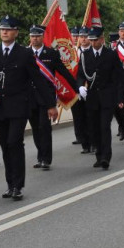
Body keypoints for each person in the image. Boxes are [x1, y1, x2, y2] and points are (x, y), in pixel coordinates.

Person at [0, 16, 58, 200]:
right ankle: (10, 184)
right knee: (5, 146)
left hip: (18, 107)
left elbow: (38, 80)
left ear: (16, 32)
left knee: (14, 142)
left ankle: (18, 185)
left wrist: (50, 104)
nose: (5, 32)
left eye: (8, 29)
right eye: (2, 29)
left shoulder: (24, 54)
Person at [27, 23, 77, 170]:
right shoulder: (25, 53)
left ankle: (46, 159)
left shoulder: (51, 54)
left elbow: (64, 72)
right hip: (30, 97)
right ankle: (40, 155)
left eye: (37, 36)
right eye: (32, 36)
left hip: (46, 97)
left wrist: (77, 87)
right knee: (35, 128)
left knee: (44, 127)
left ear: (43, 37)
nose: (35, 39)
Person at [77, 26, 124, 169]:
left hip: (107, 97)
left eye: (95, 40)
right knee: (94, 128)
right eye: (90, 40)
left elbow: (119, 76)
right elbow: (80, 74)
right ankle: (99, 154)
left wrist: (122, 96)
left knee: (104, 127)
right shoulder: (85, 55)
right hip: (92, 97)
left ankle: (106, 157)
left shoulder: (110, 54)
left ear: (102, 39)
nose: (92, 42)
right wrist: (80, 86)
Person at [70, 27, 93, 154]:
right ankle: (85, 144)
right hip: (77, 90)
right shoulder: (73, 53)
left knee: (91, 117)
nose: (83, 39)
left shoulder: (93, 52)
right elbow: (71, 71)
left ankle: (94, 142)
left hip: (91, 90)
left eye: (86, 36)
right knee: (79, 117)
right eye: (81, 36)